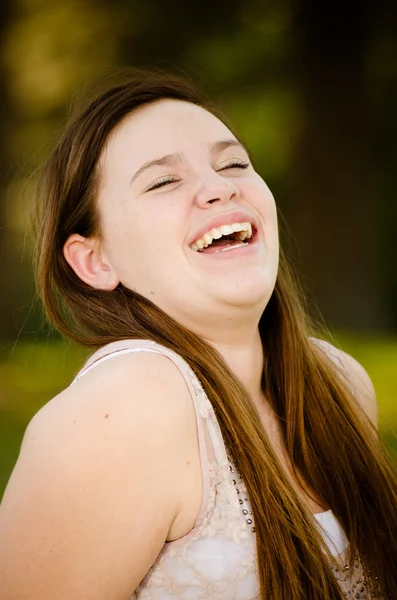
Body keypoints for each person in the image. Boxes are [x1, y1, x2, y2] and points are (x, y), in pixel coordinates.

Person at [0, 70, 396, 600]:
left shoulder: (340, 385)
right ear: (94, 261)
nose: (220, 186)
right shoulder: (123, 409)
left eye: (233, 163)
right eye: (164, 181)